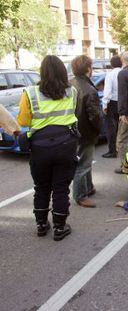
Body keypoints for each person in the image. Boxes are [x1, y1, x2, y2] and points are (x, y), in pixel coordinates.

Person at [17, 55, 78, 241]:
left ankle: (42, 225)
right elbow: (73, 113)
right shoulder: (72, 91)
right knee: (61, 188)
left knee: (41, 187)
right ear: (62, 71)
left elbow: (23, 121)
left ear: (42, 72)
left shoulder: (30, 93)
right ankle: (60, 227)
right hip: (66, 144)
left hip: (40, 147)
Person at [71, 55, 103, 208]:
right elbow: (95, 116)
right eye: (91, 67)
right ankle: (80, 195)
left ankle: (88, 188)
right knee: (83, 165)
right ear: (88, 69)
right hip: (85, 132)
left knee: (85, 162)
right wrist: (99, 128)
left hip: (72, 130)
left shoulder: (69, 84)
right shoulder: (89, 90)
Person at [102, 55, 122, 158]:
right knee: (121, 128)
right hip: (123, 103)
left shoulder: (110, 75)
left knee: (110, 128)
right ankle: (121, 149)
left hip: (113, 104)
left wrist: (104, 105)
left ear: (111, 64)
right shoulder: (124, 73)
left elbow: (107, 92)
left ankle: (112, 151)